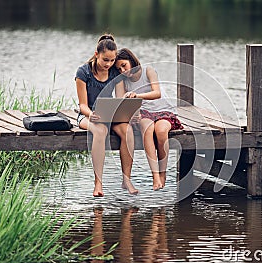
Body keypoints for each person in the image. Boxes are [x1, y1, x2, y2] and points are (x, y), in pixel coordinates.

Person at [75, 34, 139, 197]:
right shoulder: (83, 72)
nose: (109, 64)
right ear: (97, 55)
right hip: (88, 116)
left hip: (110, 114)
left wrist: (128, 113)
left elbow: (119, 98)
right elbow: (82, 105)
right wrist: (92, 114)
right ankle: (98, 183)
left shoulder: (114, 73)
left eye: (112, 61)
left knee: (128, 131)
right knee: (100, 131)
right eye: (105, 60)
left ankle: (126, 179)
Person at [115, 48, 183, 190]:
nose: (122, 70)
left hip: (162, 109)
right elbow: (120, 100)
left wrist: (137, 95)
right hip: (143, 112)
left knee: (161, 131)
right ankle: (155, 176)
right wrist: (131, 111)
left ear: (131, 60)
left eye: (124, 65)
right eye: (119, 68)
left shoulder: (148, 71)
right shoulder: (121, 80)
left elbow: (156, 93)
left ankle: (163, 172)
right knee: (147, 129)